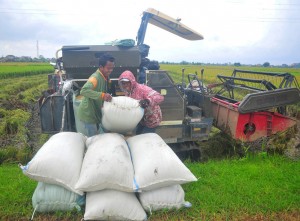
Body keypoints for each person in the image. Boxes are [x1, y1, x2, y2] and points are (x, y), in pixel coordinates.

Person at [77, 54, 115, 137]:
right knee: (93, 139)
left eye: (112, 68)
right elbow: (84, 90)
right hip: (88, 114)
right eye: (108, 68)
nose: (111, 70)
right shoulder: (95, 78)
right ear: (101, 67)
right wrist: (102, 95)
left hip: (96, 111)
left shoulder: (106, 77)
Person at [118, 70, 164, 134]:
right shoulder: (128, 92)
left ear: (132, 81)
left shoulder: (142, 89)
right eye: (123, 83)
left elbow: (160, 97)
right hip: (141, 120)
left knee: (145, 139)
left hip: (151, 119)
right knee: (137, 135)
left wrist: (147, 101)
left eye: (127, 83)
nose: (125, 85)